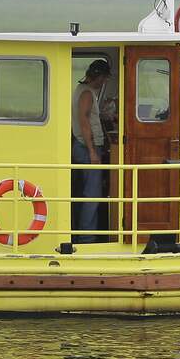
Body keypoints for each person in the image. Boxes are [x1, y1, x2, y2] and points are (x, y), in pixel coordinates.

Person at [72, 59, 111, 243]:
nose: (103, 83)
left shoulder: (83, 91)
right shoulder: (87, 93)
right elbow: (84, 121)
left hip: (84, 146)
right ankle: (87, 238)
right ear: (98, 77)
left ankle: (84, 233)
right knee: (92, 194)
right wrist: (92, 151)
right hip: (87, 148)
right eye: (103, 79)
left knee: (87, 192)